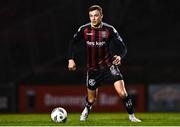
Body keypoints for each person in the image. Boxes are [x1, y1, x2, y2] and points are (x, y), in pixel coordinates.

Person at [68, 5, 141, 122]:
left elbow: (123, 47)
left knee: (122, 93)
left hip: (109, 67)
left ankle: (132, 116)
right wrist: (71, 59)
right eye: (91, 16)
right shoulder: (84, 29)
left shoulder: (109, 30)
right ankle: (87, 108)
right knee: (92, 100)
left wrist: (119, 56)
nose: (93, 18)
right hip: (93, 70)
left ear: (101, 16)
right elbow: (72, 43)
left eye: (96, 15)